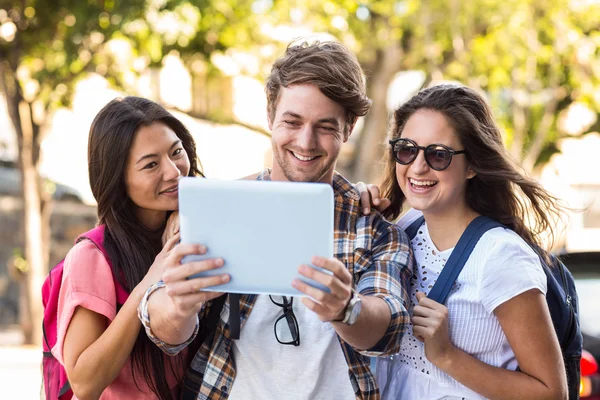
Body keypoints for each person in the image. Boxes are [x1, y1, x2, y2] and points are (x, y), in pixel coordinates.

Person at [138, 40, 413, 399]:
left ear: (349, 129)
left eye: (326, 127)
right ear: (270, 116)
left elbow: (387, 329)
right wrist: (179, 305)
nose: (306, 141)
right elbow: (163, 329)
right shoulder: (220, 209)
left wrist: (346, 309)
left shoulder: (373, 227)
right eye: (292, 121)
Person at [374, 84, 567, 399]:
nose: (418, 167)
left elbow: (551, 392)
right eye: (407, 149)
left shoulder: (500, 256)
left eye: (438, 154)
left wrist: (447, 355)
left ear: (473, 165)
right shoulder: (405, 228)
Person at [53, 96, 204, 399]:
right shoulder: (93, 257)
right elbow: (84, 384)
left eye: (176, 152)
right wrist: (150, 281)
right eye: (150, 164)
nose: (174, 171)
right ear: (117, 179)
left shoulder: (192, 230)